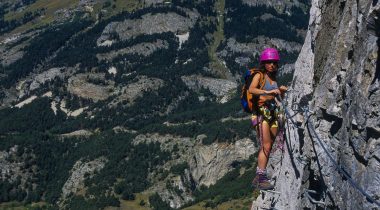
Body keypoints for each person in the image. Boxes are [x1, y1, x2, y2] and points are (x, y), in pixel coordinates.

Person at [249, 48, 287, 190]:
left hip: (272, 113)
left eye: (274, 62)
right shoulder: (260, 76)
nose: (272, 65)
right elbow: (251, 89)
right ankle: (260, 177)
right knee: (265, 146)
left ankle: (259, 177)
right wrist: (267, 91)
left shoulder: (273, 79)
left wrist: (280, 92)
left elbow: (276, 98)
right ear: (264, 63)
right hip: (261, 113)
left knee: (269, 145)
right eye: (269, 62)